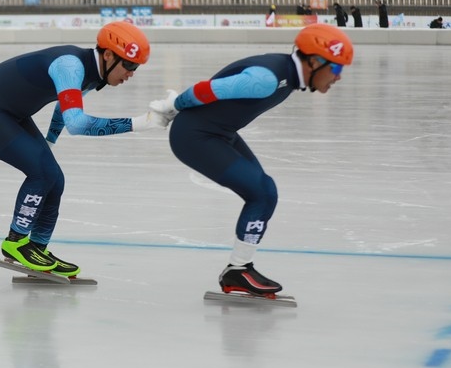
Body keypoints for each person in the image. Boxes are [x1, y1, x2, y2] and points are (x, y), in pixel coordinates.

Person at [150, 24, 354, 298]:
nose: (338, 77)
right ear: (315, 62)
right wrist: (173, 106)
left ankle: (239, 269)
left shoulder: (288, 75)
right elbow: (205, 90)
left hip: (219, 133)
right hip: (195, 137)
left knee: (264, 194)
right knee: (263, 192)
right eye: (337, 68)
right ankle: (238, 270)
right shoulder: (267, 78)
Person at [0, 21, 168, 278]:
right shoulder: (71, 66)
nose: (131, 74)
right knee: (43, 173)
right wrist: (140, 123)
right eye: (129, 65)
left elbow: (63, 106)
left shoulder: (93, 73)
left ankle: (37, 247)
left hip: (10, 112)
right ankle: (15, 242)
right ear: (108, 55)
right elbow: (76, 124)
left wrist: (49, 142)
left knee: (54, 178)